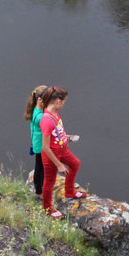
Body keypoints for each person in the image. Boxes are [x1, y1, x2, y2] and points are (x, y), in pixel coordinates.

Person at [38, 85, 85, 218]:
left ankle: (69, 191)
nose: (64, 104)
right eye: (64, 102)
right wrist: (58, 164)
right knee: (49, 181)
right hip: (51, 155)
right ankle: (48, 209)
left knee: (75, 164)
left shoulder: (55, 113)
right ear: (58, 101)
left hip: (62, 149)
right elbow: (46, 147)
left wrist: (66, 137)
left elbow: (56, 132)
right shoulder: (46, 120)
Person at [25, 84, 47, 199]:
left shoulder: (37, 111)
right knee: (40, 169)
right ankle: (39, 192)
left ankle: (39, 188)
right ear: (39, 100)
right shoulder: (40, 117)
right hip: (41, 146)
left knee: (40, 167)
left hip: (38, 144)